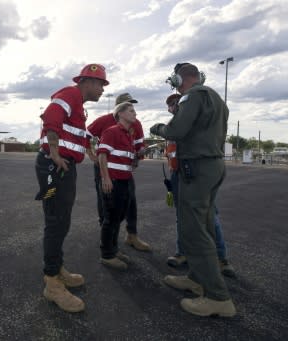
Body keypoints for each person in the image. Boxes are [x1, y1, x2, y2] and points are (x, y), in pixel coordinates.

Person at [150, 63, 236, 317]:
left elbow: (176, 130)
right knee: (206, 222)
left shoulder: (192, 96)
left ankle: (217, 297)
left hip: (196, 167)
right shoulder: (216, 98)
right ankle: (198, 279)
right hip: (212, 165)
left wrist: (158, 128)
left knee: (193, 229)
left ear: (180, 78)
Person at [35, 63, 109, 313]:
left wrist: (87, 149)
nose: (102, 89)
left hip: (64, 167)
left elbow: (79, 133)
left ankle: (57, 269)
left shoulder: (79, 106)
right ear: (86, 82)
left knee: (62, 220)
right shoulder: (69, 95)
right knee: (56, 221)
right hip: (53, 168)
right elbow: (51, 118)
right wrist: (54, 154)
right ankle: (51, 283)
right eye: (100, 84)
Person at [164, 94, 236, 277]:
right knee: (183, 216)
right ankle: (184, 253)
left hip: (196, 173)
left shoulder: (193, 122)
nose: (173, 106)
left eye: (176, 102)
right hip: (178, 174)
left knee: (210, 216)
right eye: (170, 105)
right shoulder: (173, 125)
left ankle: (221, 259)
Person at [86, 92, 152, 252]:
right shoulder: (105, 121)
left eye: (132, 105)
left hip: (123, 169)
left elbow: (139, 146)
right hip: (104, 168)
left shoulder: (135, 123)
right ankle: (107, 236)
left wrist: (137, 157)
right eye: (128, 105)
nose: (132, 109)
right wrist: (91, 154)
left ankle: (132, 235)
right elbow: (86, 135)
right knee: (105, 200)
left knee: (130, 200)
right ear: (119, 109)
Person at [97, 102, 137, 270]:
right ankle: (107, 255)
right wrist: (106, 178)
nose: (135, 113)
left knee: (119, 218)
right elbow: (102, 155)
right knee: (111, 219)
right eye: (131, 110)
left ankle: (113, 249)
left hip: (126, 181)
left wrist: (134, 160)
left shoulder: (129, 135)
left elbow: (124, 160)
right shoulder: (111, 131)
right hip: (113, 182)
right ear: (120, 114)